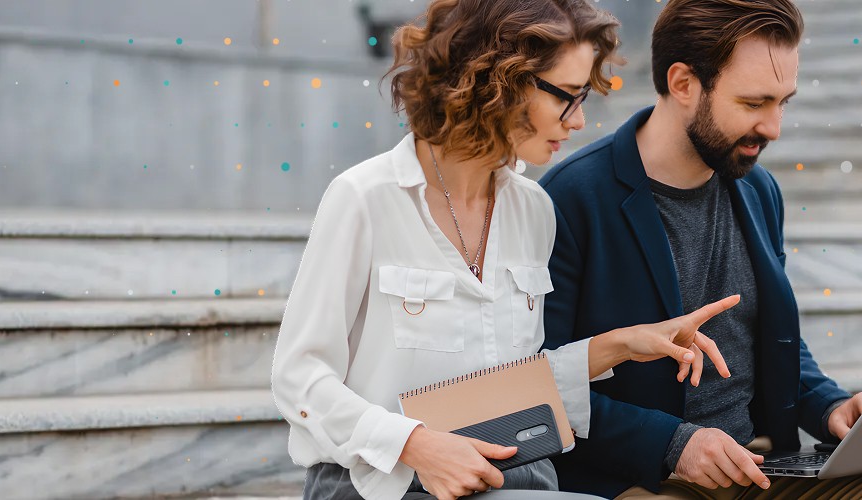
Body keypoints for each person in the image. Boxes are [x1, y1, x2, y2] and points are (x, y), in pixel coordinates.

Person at [270, 1, 741, 499]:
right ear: (498, 82)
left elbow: (509, 385)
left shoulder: (533, 208)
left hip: (517, 476)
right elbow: (299, 377)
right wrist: (415, 445)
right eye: (568, 96)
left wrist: (625, 344)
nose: (579, 121)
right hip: (380, 484)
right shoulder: (364, 198)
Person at [538, 0, 862, 498]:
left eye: (784, 102)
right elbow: (542, 386)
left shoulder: (759, 189)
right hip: (644, 479)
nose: (774, 128)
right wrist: (673, 445)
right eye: (754, 103)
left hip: (765, 467)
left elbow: (771, 342)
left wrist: (831, 408)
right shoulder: (570, 197)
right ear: (683, 84)